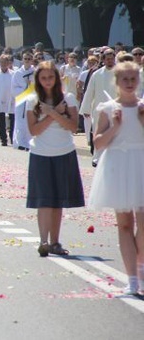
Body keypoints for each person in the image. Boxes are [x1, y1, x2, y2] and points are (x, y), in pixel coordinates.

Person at [88, 61, 144, 295]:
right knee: (124, 224)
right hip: (118, 164)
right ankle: (131, 279)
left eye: (133, 79)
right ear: (117, 82)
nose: (130, 83)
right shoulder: (108, 108)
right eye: (125, 79)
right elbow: (98, 142)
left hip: (140, 162)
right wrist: (115, 125)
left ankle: (140, 269)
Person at [26, 61, 84, 257]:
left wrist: (53, 113)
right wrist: (52, 114)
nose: (47, 81)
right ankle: (43, 241)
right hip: (40, 153)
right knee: (44, 200)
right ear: (38, 80)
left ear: (57, 78)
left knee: (57, 201)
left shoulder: (68, 99)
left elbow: (73, 127)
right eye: (43, 78)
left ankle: (55, 241)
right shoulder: (32, 100)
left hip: (64, 152)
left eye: (51, 77)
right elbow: (34, 130)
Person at [80, 48, 118, 166]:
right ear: (103, 60)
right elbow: (90, 91)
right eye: (108, 59)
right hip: (99, 109)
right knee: (98, 133)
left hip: (116, 109)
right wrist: (86, 108)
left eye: (112, 59)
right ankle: (97, 157)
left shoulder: (120, 73)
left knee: (115, 133)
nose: (110, 61)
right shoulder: (96, 74)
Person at [12, 51, 36, 150]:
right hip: (21, 98)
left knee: (29, 121)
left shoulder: (35, 72)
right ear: (22, 60)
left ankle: (29, 143)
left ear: (32, 61)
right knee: (20, 122)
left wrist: (31, 87)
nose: (26, 61)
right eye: (25, 59)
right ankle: (20, 142)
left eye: (29, 59)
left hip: (31, 99)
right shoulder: (17, 73)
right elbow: (13, 88)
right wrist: (25, 89)